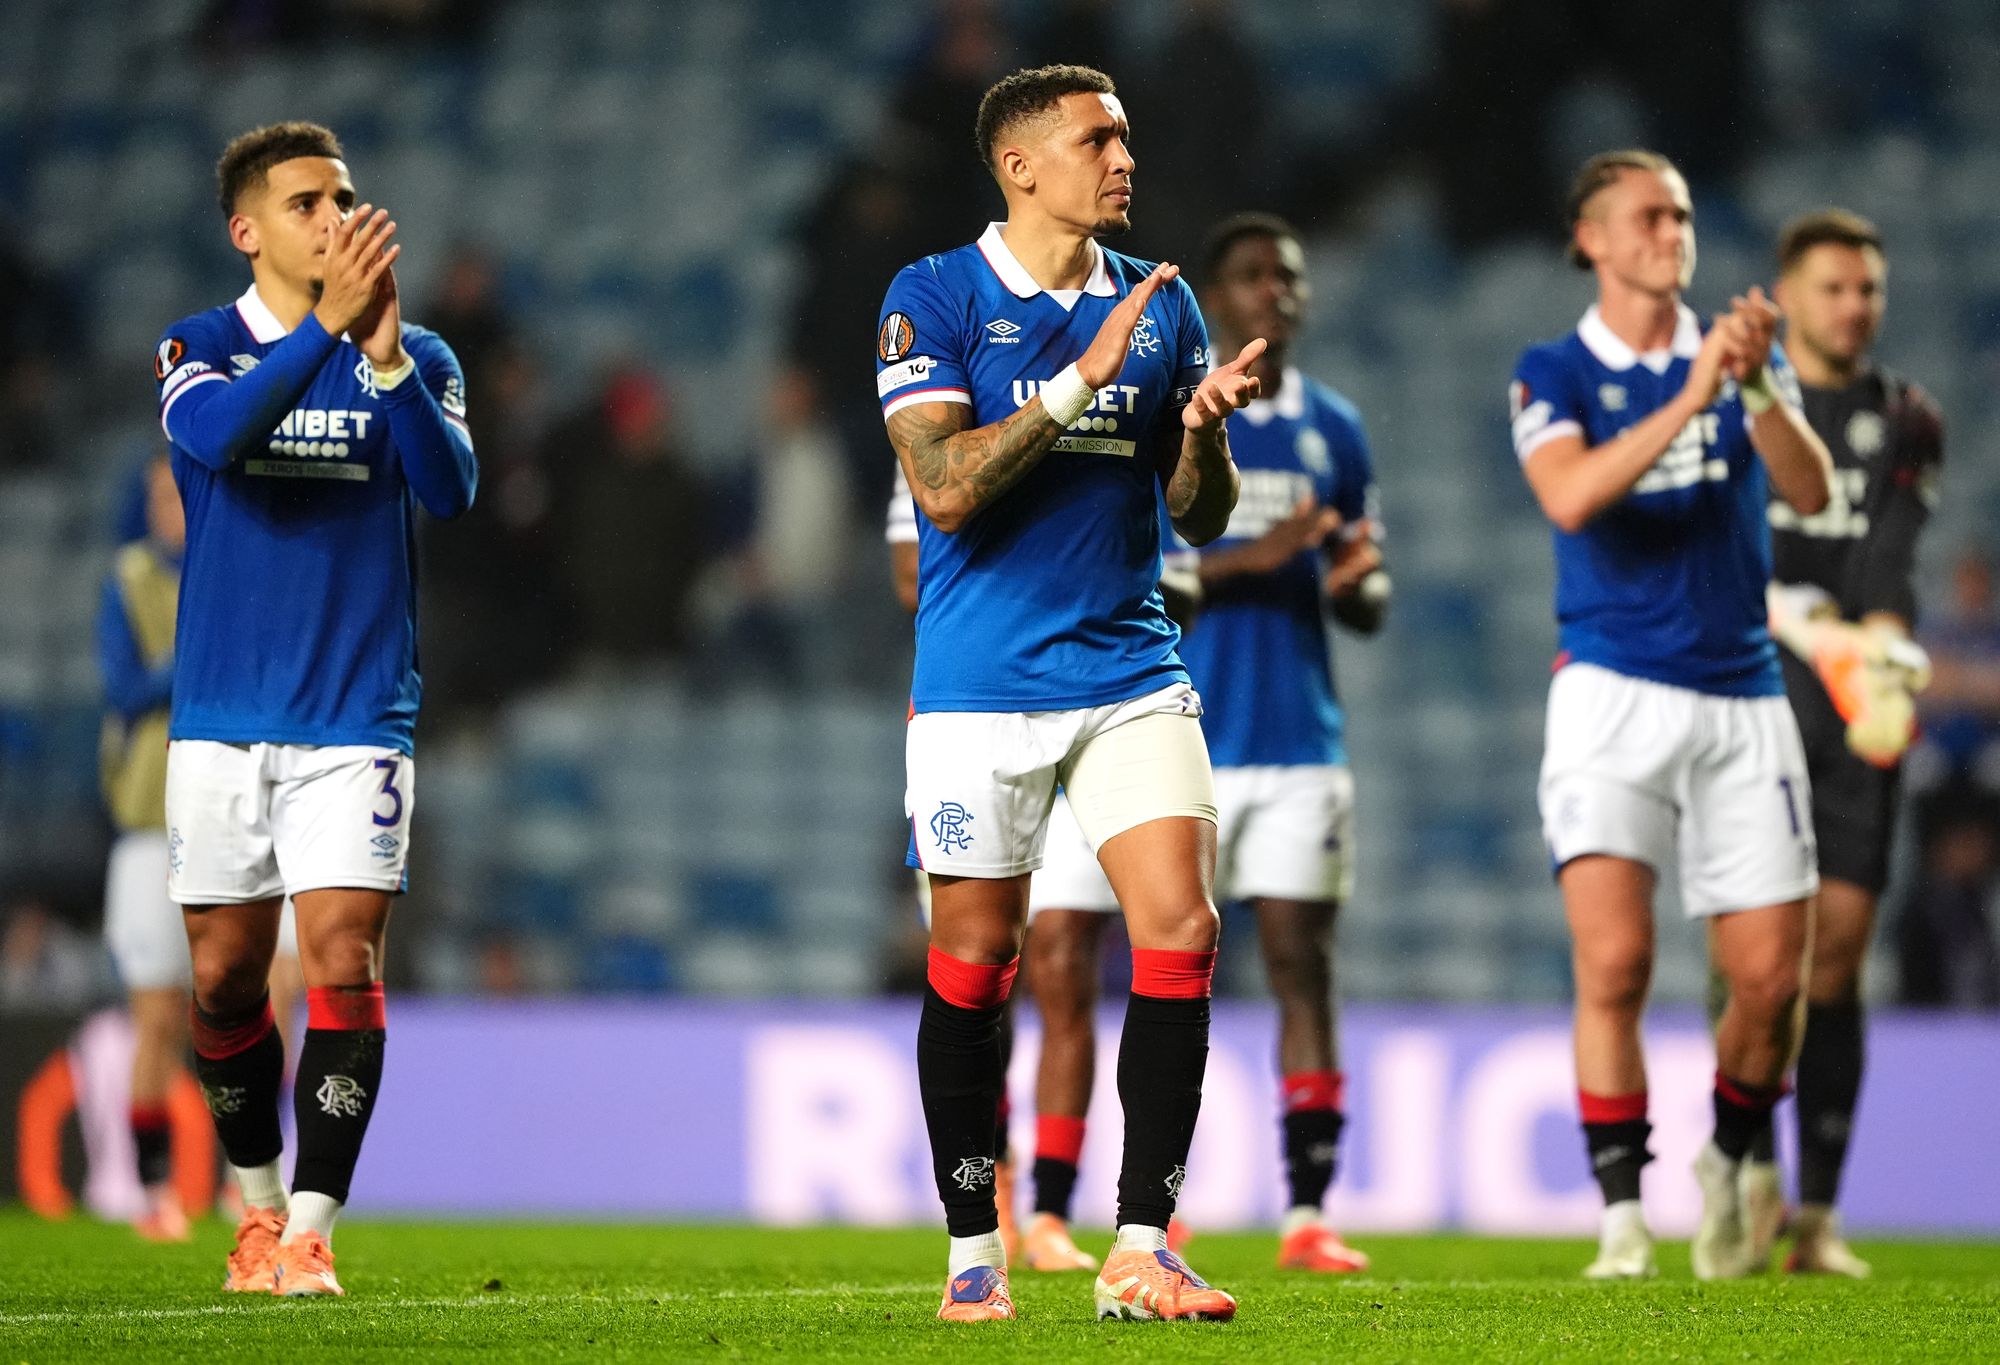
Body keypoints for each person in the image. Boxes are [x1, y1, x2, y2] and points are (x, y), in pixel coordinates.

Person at [877, 64, 1258, 1323]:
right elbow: (940, 487)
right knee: (977, 959)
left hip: (1128, 668)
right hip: (980, 685)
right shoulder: (932, 295)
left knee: (1182, 931)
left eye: (1128, 137)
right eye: (1097, 139)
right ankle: (972, 1245)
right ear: (1020, 165)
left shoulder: (1163, 305)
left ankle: (1140, 1245)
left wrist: (1197, 435)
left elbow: (1198, 514)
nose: (1123, 157)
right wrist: (1074, 381)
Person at [1020, 214, 1386, 1277]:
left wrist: (1357, 586)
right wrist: (1254, 558)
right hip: (1168, 734)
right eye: (1250, 275)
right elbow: (1151, 575)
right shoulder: (1166, 420)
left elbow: (1367, 593)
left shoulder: (1340, 431)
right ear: (1213, 303)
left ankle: (1307, 1213)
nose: (1273, 290)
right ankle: (1104, 1201)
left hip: (1299, 739)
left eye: (1289, 273)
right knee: (1145, 968)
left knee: (1298, 966)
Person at [155, 121, 475, 1297]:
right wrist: (325, 333)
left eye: (343, 194)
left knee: (342, 957)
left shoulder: (414, 353)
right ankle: (249, 1205)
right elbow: (217, 437)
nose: (335, 215)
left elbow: (451, 491)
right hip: (223, 720)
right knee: (225, 981)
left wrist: (384, 364)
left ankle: (309, 1229)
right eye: (304, 202)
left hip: (355, 717)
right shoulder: (193, 347)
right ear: (247, 231)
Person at [1509, 149, 1833, 1280]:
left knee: (1765, 982)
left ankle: (1731, 1153)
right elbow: (1568, 495)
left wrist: (1746, 386)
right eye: (1647, 216)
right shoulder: (1550, 369)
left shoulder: (1741, 358)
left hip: (1741, 692)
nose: (1670, 232)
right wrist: (1695, 396)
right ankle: (1619, 1222)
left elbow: (1808, 491)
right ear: (1589, 237)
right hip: (1609, 693)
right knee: (1614, 966)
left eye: (1683, 214)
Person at [1738, 209, 1943, 1276]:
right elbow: (1732, 562)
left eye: (1866, 288)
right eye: (1832, 288)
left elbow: (1892, 568)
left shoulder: (1906, 416)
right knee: (1759, 969)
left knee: (1837, 963)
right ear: (1788, 296)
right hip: (1757, 696)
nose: (1853, 306)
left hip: (1857, 695)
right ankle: (1747, 1178)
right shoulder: (1741, 403)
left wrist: (1887, 657)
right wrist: (1813, 631)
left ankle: (1814, 1216)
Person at [97, 456, 303, 1241]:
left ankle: (242, 1177)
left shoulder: (249, 564)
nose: (163, 507)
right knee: (156, 1012)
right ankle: (153, 1189)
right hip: (153, 819)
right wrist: (198, 662)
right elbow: (122, 687)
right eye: (151, 494)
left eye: (173, 494)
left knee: (275, 990)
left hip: (254, 804)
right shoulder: (129, 579)